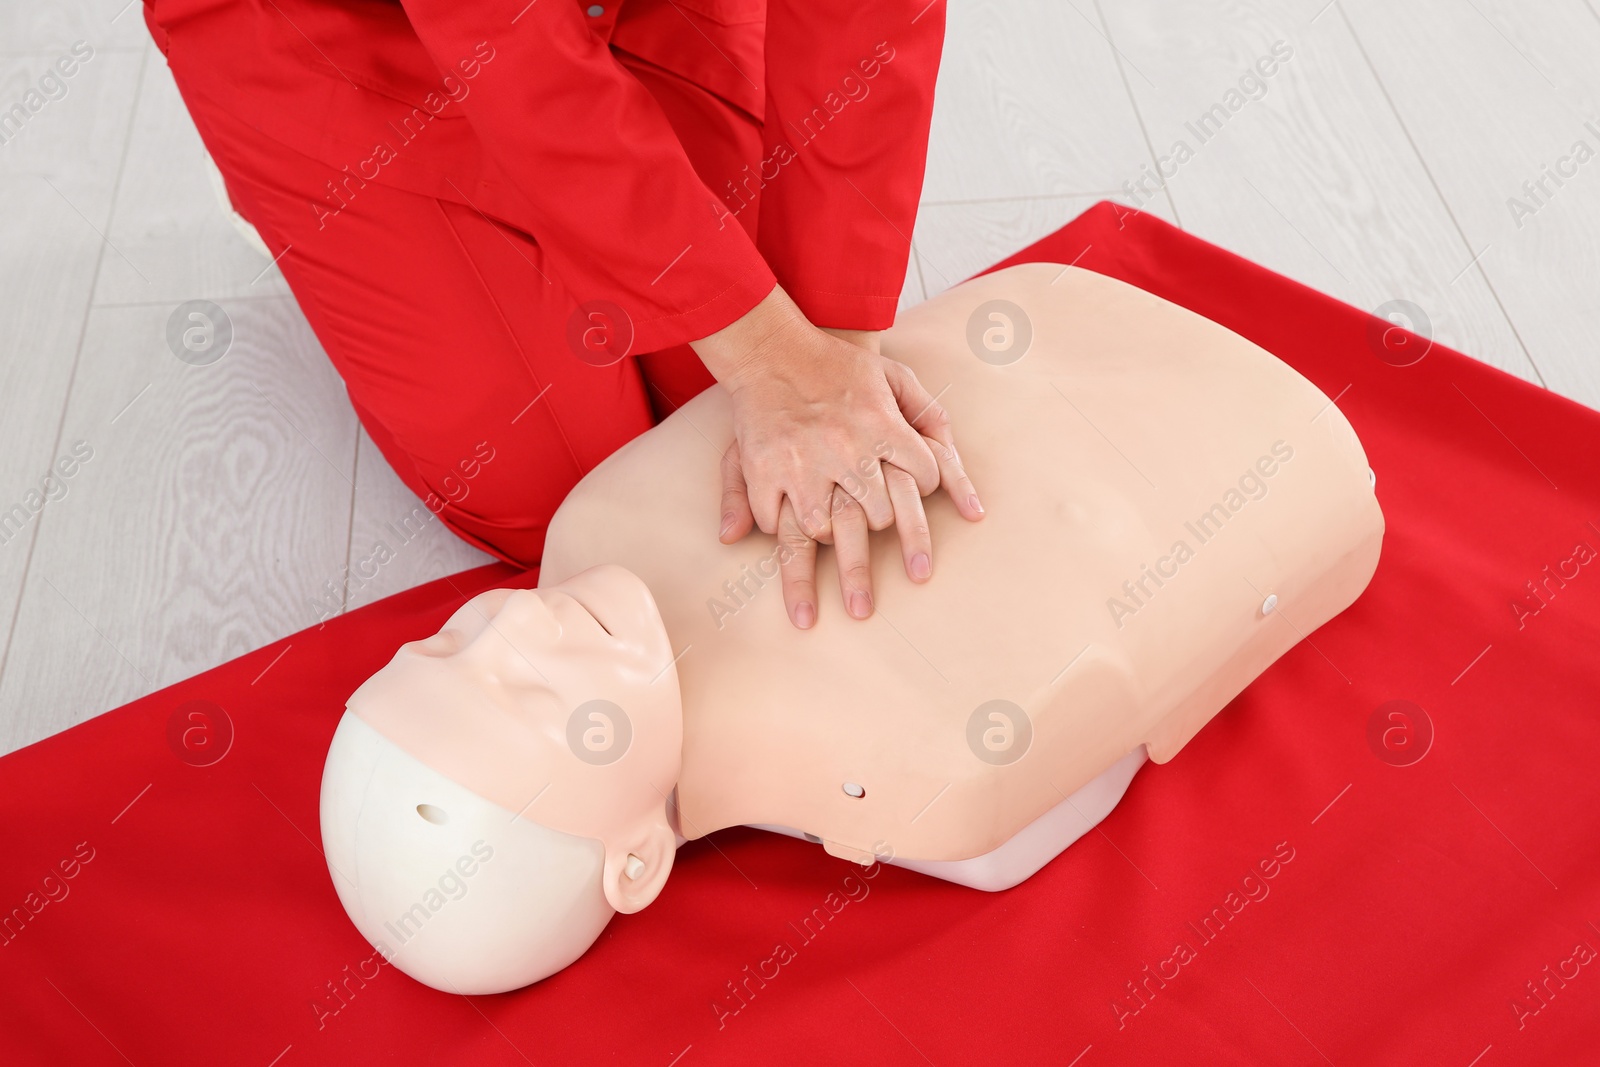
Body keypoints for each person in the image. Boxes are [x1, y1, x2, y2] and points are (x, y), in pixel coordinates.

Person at [320, 262, 1385, 993]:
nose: (508, 631)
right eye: (532, 700)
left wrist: (795, 363)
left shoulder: (585, 523)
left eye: (449, 644)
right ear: (635, 860)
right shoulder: (915, 766)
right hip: (1253, 435)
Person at [141, 0, 980, 628]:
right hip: (331, 32)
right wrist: (773, 361)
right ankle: (302, 205)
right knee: (570, 499)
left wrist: (830, 350)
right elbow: (509, 43)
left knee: (702, 430)